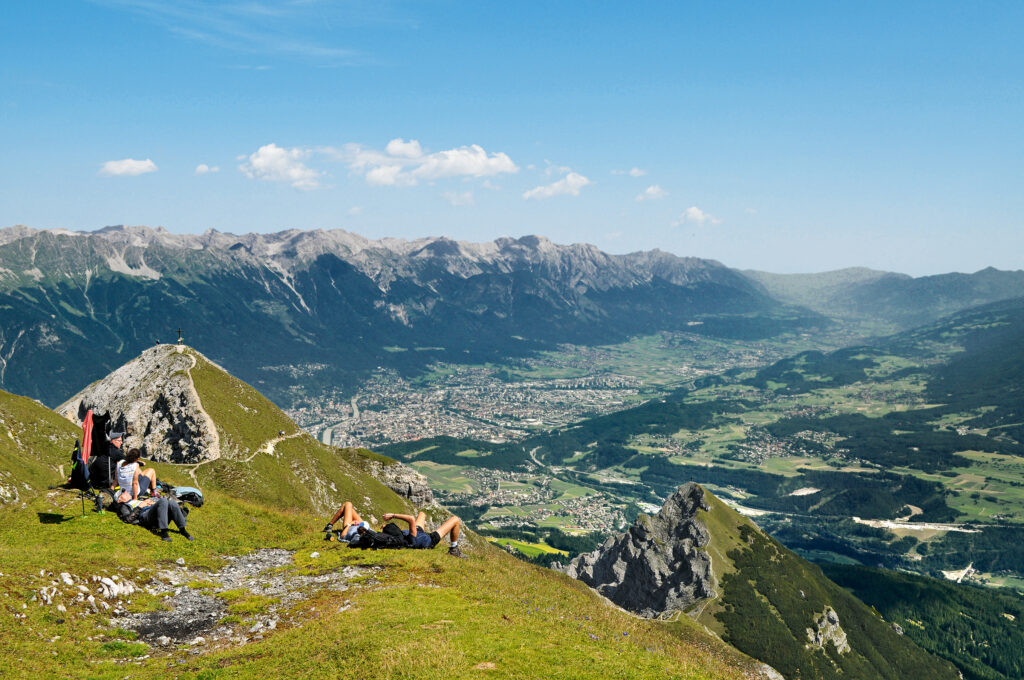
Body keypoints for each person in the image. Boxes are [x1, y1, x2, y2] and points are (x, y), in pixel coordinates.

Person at [116, 491, 193, 542]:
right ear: (119, 500)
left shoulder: (138, 498)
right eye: (123, 493)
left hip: (155, 512)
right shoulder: (124, 506)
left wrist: (152, 503)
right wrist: (140, 506)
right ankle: (164, 532)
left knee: (172, 503)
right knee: (163, 501)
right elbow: (128, 519)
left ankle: (182, 530)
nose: (125, 492)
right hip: (145, 516)